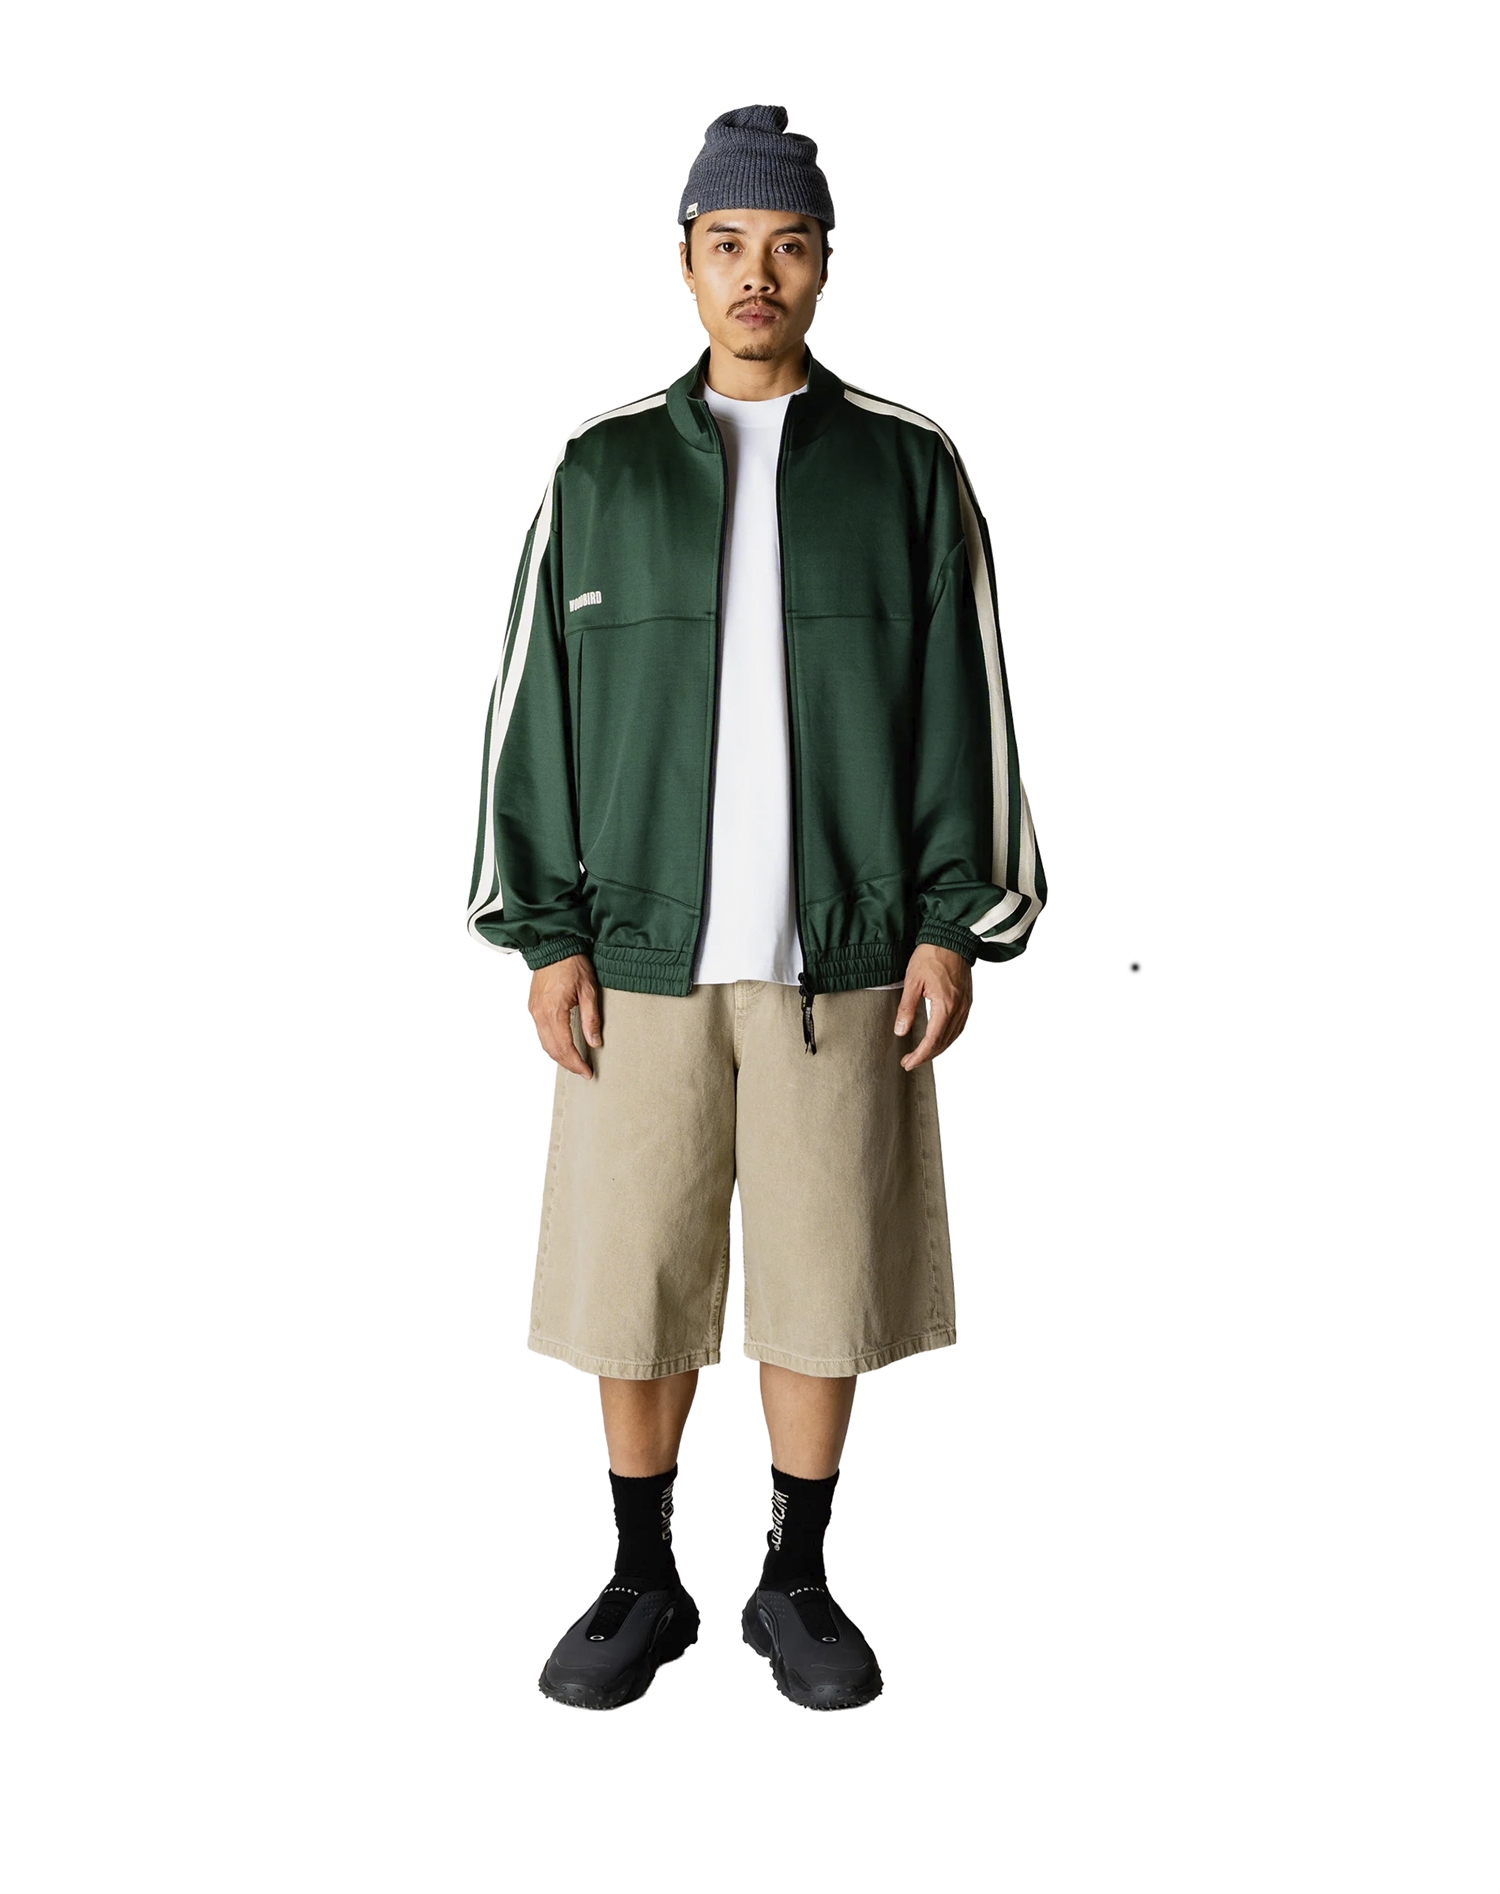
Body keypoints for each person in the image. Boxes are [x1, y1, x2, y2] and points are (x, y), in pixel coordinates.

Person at [466, 104, 1046, 1711]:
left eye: (788, 245)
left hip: (841, 952)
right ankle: (640, 1574)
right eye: (728, 244)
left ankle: (796, 1575)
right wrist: (547, 931)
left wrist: (952, 920)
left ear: (824, 264)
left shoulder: (907, 470)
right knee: (632, 1278)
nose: (757, 275)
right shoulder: (600, 471)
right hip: (638, 958)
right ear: (685, 261)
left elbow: (968, 710)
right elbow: (533, 713)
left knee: (823, 1270)